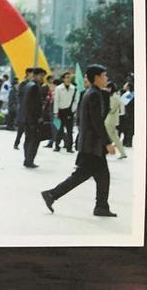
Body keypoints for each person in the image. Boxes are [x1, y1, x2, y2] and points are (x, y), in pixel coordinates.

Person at [41, 65, 118, 217]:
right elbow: (97, 122)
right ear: (97, 77)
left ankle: (101, 206)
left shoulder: (94, 93)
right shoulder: (94, 94)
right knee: (83, 175)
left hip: (91, 144)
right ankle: (52, 194)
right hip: (92, 144)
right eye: (104, 75)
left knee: (100, 176)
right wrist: (107, 143)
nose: (106, 78)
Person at [23, 67, 47, 168]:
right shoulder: (35, 87)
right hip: (33, 118)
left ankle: (27, 159)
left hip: (27, 117)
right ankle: (29, 160)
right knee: (34, 140)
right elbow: (34, 105)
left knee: (28, 139)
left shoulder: (28, 85)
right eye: (41, 76)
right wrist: (38, 117)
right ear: (35, 75)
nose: (42, 78)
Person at [53, 72, 79, 152]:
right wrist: (56, 112)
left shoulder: (74, 88)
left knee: (69, 130)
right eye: (66, 77)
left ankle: (69, 147)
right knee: (59, 129)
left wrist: (73, 110)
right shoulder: (58, 88)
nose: (68, 79)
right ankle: (57, 145)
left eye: (69, 77)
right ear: (63, 79)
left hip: (69, 111)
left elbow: (76, 100)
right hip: (60, 111)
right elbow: (56, 101)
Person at [103, 82, 127, 159]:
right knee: (114, 137)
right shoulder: (114, 96)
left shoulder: (114, 97)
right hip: (112, 119)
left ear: (110, 88)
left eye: (107, 88)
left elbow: (111, 109)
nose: (105, 89)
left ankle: (106, 151)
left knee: (110, 136)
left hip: (110, 119)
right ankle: (122, 152)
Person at [13, 68, 34, 149]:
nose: (33, 75)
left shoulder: (33, 83)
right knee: (21, 129)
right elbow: (19, 96)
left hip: (30, 110)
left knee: (29, 130)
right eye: (32, 73)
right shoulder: (23, 84)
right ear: (28, 73)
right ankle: (16, 143)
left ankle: (28, 145)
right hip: (23, 109)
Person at [119, 82, 134, 147]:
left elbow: (123, 102)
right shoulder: (129, 93)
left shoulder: (130, 94)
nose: (123, 86)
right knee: (126, 128)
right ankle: (125, 141)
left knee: (129, 128)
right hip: (127, 113)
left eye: (125, 85)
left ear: (128, 87)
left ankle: (128, 142)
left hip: (129, 114)